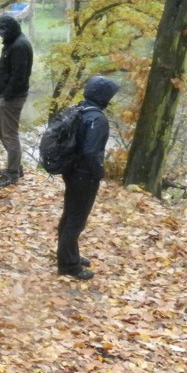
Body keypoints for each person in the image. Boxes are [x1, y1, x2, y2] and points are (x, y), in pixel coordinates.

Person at [56, 75, 119, 281]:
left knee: (69, 215)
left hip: (71, 171)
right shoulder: (97, 119)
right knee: (76, 220)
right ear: (104, 97)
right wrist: (99, 172)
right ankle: (69, 266)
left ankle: (69, 254)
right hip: (84, 176)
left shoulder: (79, 109)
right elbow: (91, 152)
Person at [0, 14, 33, 187]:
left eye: (1, 32)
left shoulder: (20, 46)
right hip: (5, 95)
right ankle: (15, 165)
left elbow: (19, 76)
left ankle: (13, 173)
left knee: (9, 134)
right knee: (0, 130)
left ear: (9, 31)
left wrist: (6, 96)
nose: (0, 36)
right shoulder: (12, 42)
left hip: (12, 98)